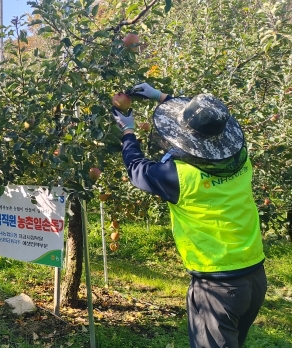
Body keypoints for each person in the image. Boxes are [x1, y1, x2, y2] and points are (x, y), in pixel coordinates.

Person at [112, 82, 267, 348]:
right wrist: (162, 97)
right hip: (254, 279)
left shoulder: (179, 176)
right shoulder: (240, 158)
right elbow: (209, 124)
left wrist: (128, 130)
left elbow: (137, 168)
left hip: (218, 288)